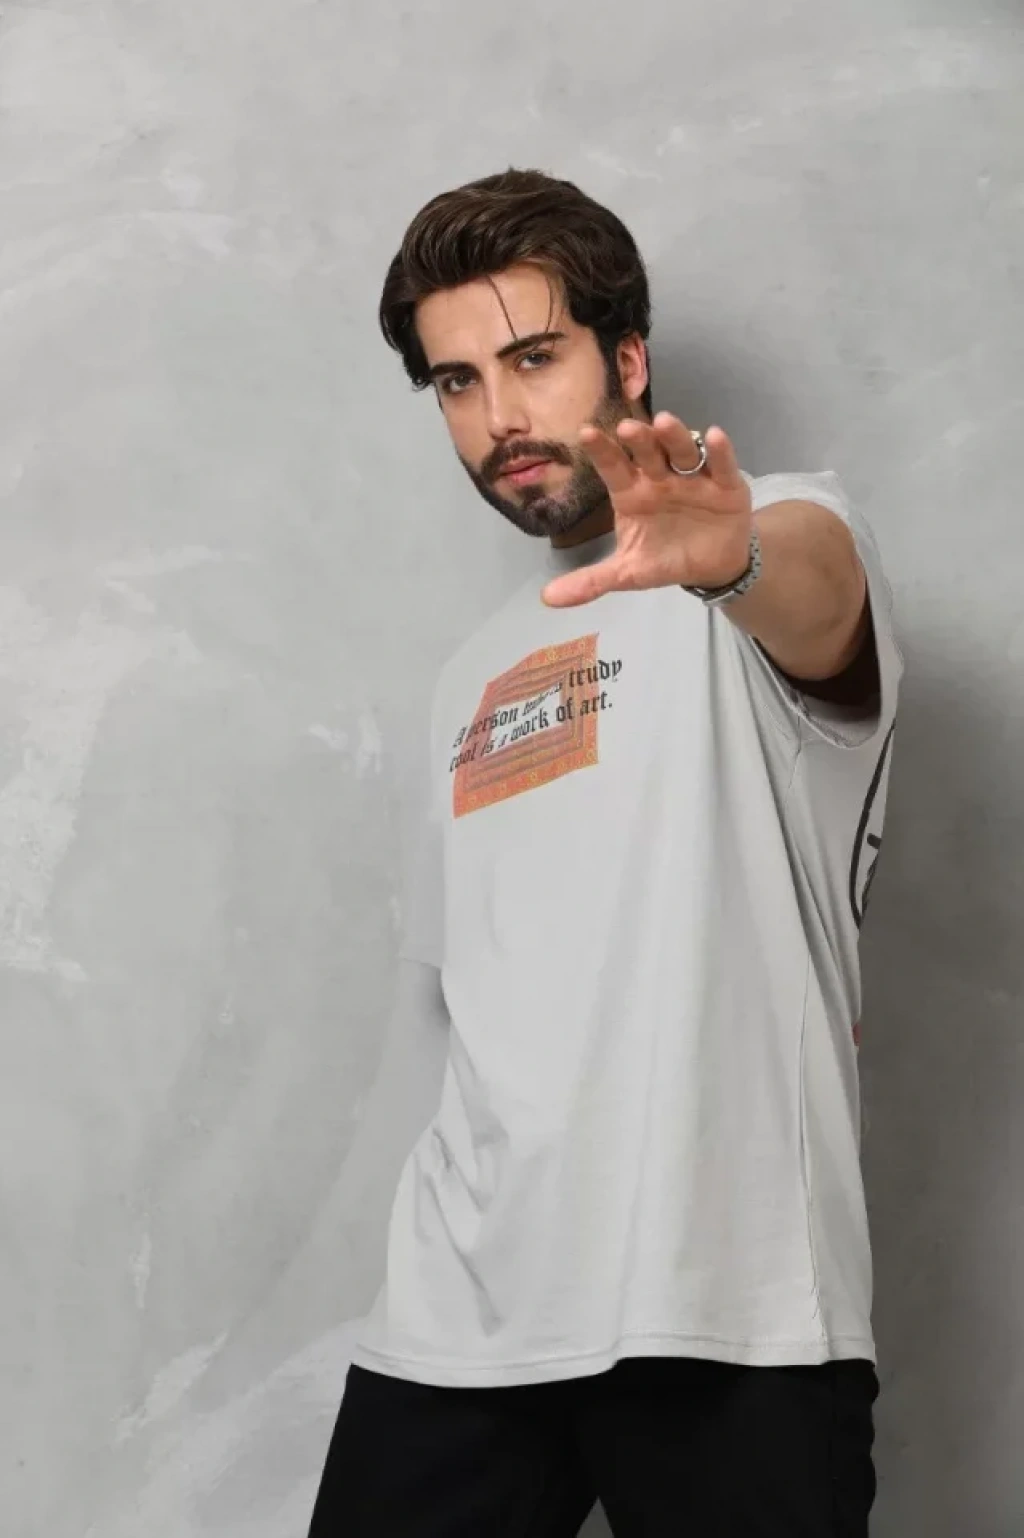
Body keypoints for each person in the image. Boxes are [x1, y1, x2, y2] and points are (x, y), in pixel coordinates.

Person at [309, 168, 902, 1537]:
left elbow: (817, 603)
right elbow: (470, 1002)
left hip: (727, 1300)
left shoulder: (780, 539)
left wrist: (732, 562)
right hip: (466, 1312)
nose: (499, 419)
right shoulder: (469, 672)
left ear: (627, 359)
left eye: (533, 359)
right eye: (457, 382)